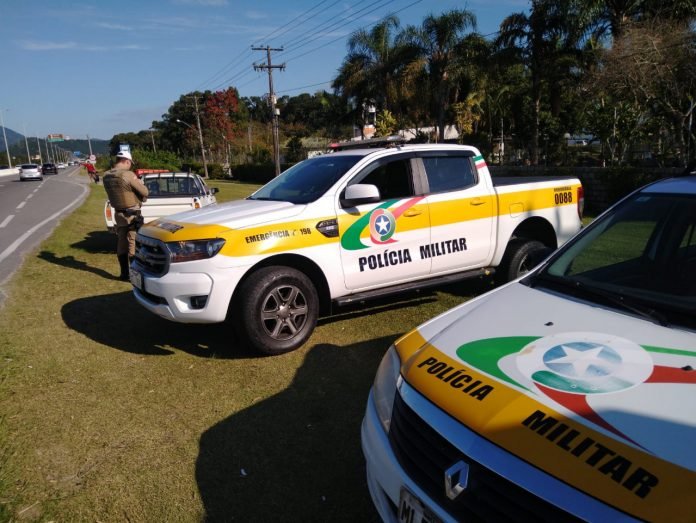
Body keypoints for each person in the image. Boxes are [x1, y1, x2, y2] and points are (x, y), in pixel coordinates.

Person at [102, 151, 149, 280]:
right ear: (126, 161)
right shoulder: (128, 175)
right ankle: (133, 275)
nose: (130, 166)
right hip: (132, 213)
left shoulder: (106, 175)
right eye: (130, 163)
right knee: (132, 243)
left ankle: (124, 273)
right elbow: (145, 192)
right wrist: (140, 183)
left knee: (121, 242)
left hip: (118, 213)